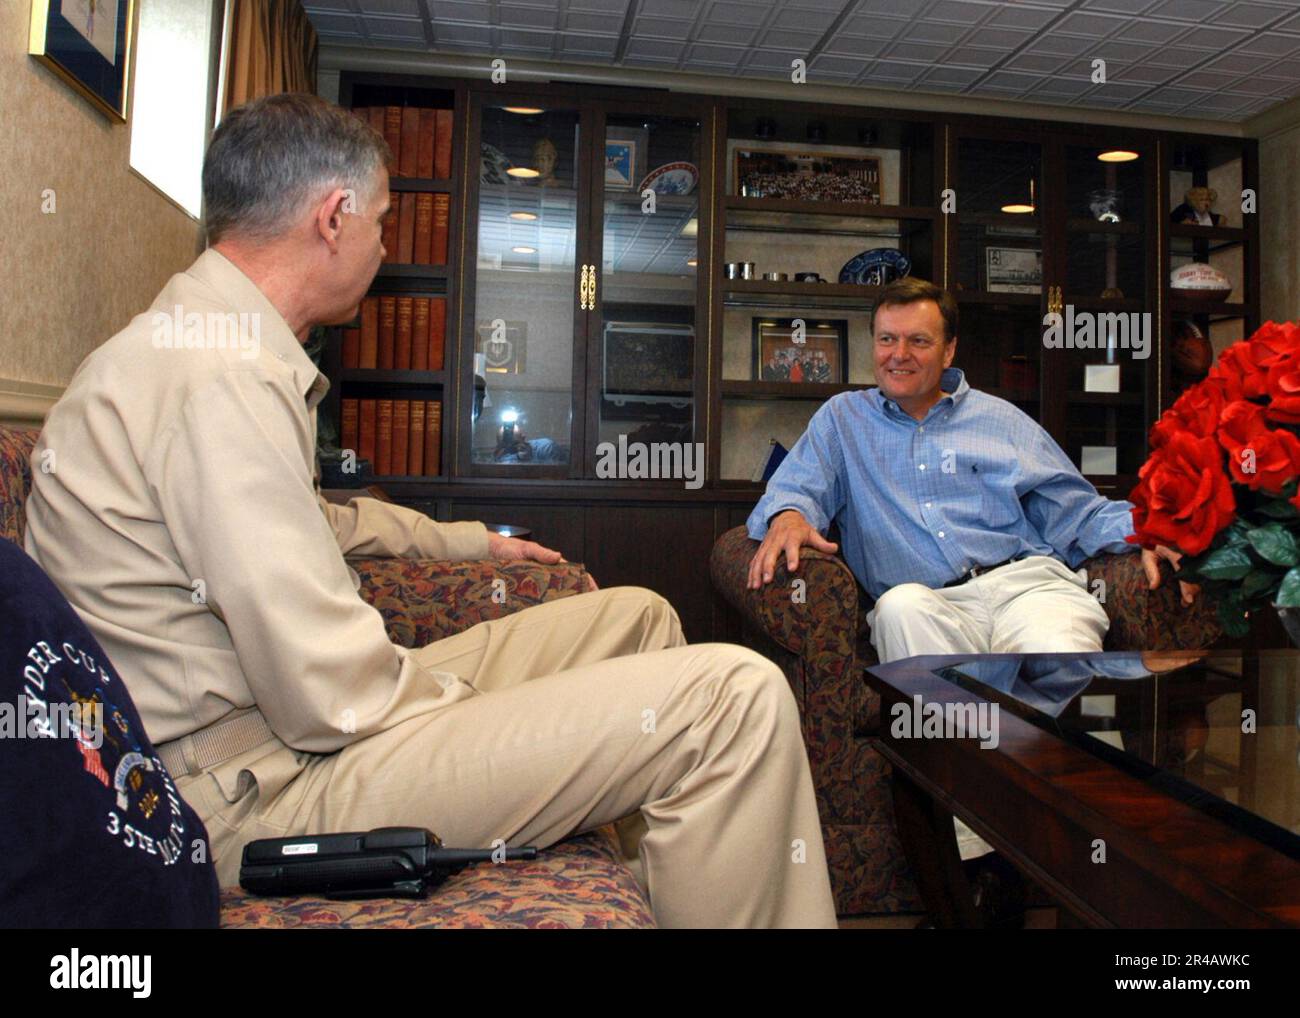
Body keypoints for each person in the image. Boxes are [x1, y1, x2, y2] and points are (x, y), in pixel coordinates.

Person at [23, 93, 836, 928]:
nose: (384, 243)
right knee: (734, 697)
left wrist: (470, 542)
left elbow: (314, 522)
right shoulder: (218, 378)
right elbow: (330, 691)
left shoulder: (206, 345)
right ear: (332, 218)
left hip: (288, 737)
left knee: (636, 618)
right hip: (254, 793)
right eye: (380, 219)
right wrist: (484, 711)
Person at [745, 277, 1197, 665]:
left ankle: (1043, 759)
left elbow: (1077, 514)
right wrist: (789, 514)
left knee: (1056, 657)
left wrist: (1152, 528)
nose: (898, 354)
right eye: (887, 339)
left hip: (1028, 588)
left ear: (949, 350)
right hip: (927, 601)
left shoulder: (1001, 420)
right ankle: (956, 759)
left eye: (918, 341)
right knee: (899, 609)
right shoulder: (843, 420)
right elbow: (797, 488)